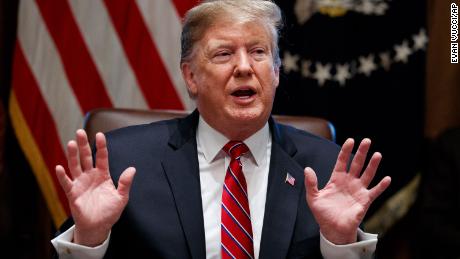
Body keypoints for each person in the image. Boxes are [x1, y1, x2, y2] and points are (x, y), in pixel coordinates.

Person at [51, 0, 391, 258]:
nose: (244, 67)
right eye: (224, 54)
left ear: (275, 72)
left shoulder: (324, 165)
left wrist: (339, 244)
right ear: (190, 76)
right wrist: (90, 238)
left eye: (258, 52)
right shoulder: (124, 161)